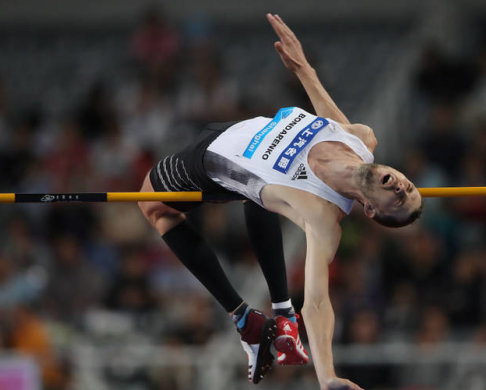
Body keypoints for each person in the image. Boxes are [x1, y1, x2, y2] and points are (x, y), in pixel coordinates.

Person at [138, 13, 423, 390]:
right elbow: (329, 117)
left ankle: (244, 318)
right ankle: (273, 316)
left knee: (152, 206)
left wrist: (328, 377)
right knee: (262, 196)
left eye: (398, 201)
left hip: (211, 160)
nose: (402, 189)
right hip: (241, 128)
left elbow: (319, 304)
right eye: (408, 186)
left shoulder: (322, 217)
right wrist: (303, 67)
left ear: (370, 210)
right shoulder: (361, 139)